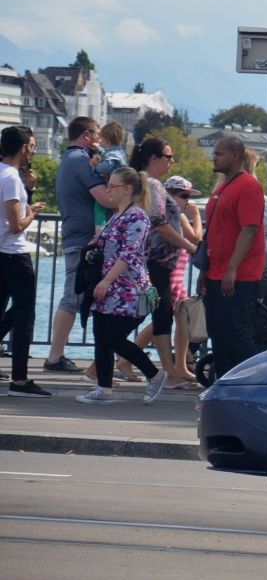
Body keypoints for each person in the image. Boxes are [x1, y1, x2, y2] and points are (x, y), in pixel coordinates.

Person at [108, 138, 199, 389]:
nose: (171, 162)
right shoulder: (153, 184)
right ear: (154, 158)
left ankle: (167, 373)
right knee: (153, 315)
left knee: (157, 314)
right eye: (168, 157)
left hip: (151, 261)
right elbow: (159, 223)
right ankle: (167, 374)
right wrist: (189, 246)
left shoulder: (143, 181)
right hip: (156, 261)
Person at [76, 168, 167, 405]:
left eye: (112, 186)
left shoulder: (137, 217)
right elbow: (109, 247)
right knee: (100, 336)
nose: (108, 190)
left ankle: (154, 374)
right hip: (109, 288)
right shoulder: (116, 215)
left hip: (128, 288)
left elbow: (128, 253)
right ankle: (103, 388)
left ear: (127, 188)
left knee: (114, 337)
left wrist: (106, 280)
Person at [46, 117, 114, 373]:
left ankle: (67, 356)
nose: (99, 139)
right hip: (83, 240)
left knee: (75, 297)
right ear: (86, 135)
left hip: (77, 236)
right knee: (72, 298)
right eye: (97, 134)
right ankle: (55, 356)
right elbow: (106, 199)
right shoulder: (80, 161)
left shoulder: (68, 160)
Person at [199, 136, 265, 378]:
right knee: (217, 329)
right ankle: (226, 379)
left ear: (235, 156)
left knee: (235, 329)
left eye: (220, 153)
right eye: (215, 153)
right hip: (216, 269)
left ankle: (256, 378)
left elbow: (250, 229)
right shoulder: (222, 186)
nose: (214, 157)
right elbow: (214, 230)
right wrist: (205, 271)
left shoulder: (248, 186)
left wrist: (232, 268)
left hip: (239, 273)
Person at [0, 126, 50, 396]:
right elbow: (17, 224)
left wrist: (27, 194)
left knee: (10, 310)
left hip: (2, 254)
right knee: (25, 316)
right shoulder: (10, 178)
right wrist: (31, 212)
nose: (33, 151)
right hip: (14, 254)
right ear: (22, 149)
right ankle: (19, 380)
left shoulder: (5, 175)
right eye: (32, 146)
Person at [164, 175, 203, 383]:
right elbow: (196, 239)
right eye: (184, 196)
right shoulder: (177, 217)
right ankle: (124, 359)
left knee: (181, 320)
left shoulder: (173, 214)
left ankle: (180, 365)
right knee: (163, 322)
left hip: (176, 274)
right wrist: (197, 217)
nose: (187, 201)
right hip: (173, 275)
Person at [90, 121, 128, 229]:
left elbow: (106, 166)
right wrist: (99, 149)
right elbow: (108, 153)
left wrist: (94, 167)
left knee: (99, 207)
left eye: (101, 139)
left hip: (116, 187)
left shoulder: (112, 155)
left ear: (106, 140)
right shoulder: (120, 152)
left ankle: (99, 232)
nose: (100, 141)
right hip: (122, 187)